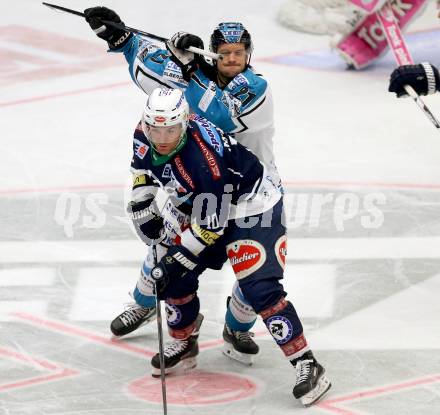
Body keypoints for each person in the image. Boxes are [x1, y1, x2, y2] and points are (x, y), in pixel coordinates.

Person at [84, 6, 280, 365]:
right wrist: (122, 37)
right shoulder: (196, 77)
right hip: (197, 188)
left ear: (249, 54)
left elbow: (221, 114)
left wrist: (189, 70)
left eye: (239, 53)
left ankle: (237, 328)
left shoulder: (256, 88)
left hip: (251, 197)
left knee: (252, 272)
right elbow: (156, 71)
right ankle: (145, 305)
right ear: (213, 52)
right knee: (162, 254)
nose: (233, 59)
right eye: (224, 53)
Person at [128, 86, 331, 407]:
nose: (162, 137)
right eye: (156, 128)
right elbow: (142, 169)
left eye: (171, 129)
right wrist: (141, 203)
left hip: (253, 208)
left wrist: (176, 259)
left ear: (185, 122)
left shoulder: (205, 163)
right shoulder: (144, 132)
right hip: (201, 204)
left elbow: (212, 226)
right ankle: (184, 341)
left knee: (260, 289)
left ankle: (307, 362)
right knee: (175, 282)